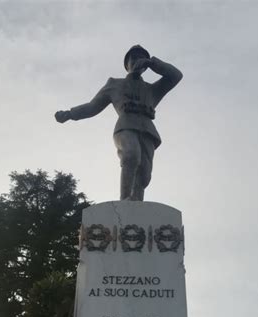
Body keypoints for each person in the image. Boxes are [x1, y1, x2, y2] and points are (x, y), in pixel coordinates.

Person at [55, 45, 182, 201]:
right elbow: (92, 107)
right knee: (131, 155)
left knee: (144, 173)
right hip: (125, 127)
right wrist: (70, 114)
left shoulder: (152, 90)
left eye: (142, 58)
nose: (138, 61)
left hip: (148, 131)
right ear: (126, 63)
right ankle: (124, 200)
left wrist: (152, 63)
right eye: (134, 58)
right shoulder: (114, 85)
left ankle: (136, 205)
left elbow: (176, 76)